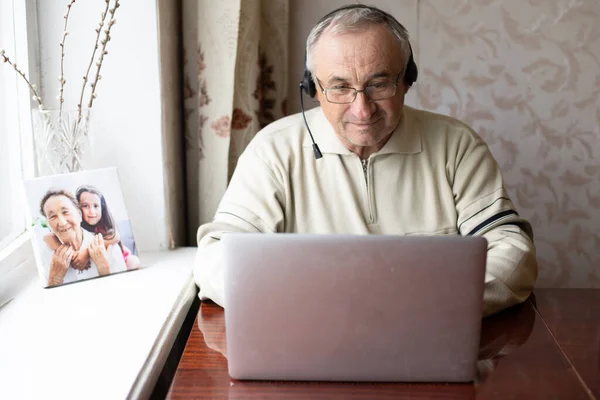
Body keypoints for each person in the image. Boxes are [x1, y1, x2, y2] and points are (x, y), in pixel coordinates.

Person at [193, 4, 537, 316]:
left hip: (428, 335)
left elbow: (512, 252)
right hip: (313, 340)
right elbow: (215, 259)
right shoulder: (271, 151)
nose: (362, 109)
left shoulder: (457, 146)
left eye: (379, 84)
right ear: (313, 88)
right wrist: (316, 305)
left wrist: (422, 306)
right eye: (340, 87)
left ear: (407, 81)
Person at [39, 189, 127, 286]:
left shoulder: (109, 248)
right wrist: (55, 278)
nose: (62, 223)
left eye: (65, 212)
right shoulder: (45, 255)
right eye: (52, 217)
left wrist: (104, 269)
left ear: (79, 215)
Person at [43, 185, 140, 271]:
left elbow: (116, 237)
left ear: (102, 208)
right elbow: (48, 237)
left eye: (96, 206)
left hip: (125, 256)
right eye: (85, 206)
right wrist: (65, 252)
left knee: (133, 262)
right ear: (78, 209)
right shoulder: (76, 225)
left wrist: (86, 253)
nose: (92, 212)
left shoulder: (105, 225)